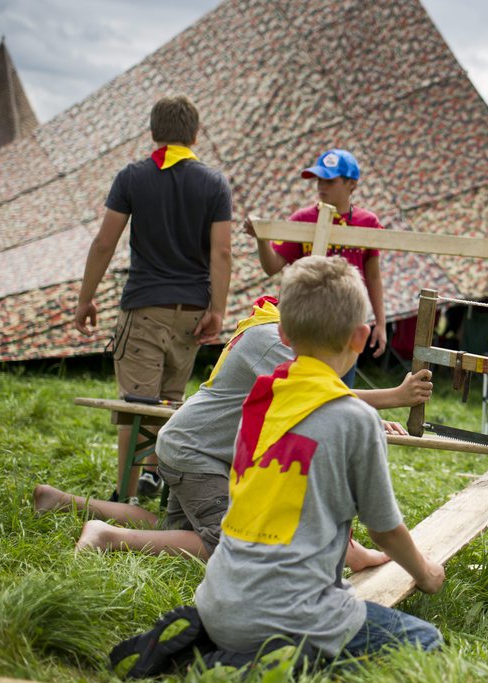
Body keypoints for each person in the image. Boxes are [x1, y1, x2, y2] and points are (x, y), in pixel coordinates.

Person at [36, 295, 433, 571]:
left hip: (193, 446)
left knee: (176, 533)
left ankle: (60, 501)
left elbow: (315, 400)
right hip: (198, 454)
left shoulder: (270, 330)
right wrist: (393, 396)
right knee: (230, 544)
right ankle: (107, 537)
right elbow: (313, 390)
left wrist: (364, 416)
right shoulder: (268, 339)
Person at [193, 255, 443, 666]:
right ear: (361, 338)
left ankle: (235, 659)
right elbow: (384, 531)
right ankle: (271, 665)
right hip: (290, 619)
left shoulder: (260, 398)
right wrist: (426, 574)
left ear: (284, 334)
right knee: (425, 641)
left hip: (216, 605)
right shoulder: (355, 417)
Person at [73, 95, 233, 502]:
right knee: (169, 404)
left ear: (153, 132)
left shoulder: (133, 177)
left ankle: (123, 498)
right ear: (195, 134)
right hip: (192, 312)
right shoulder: (214, 183)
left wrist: (85, 299)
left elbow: (104, 243)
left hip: (144, 307)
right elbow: (223, 252)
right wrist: (218, 309)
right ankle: (158, 479)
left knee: (136, 406)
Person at [244, 148, 386, 381]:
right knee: (298, 387)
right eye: (319, 180)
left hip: (346, 324)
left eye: (329, 180)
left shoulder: (367, 222)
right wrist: (262, 239)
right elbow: (272, 266)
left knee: (339, 394)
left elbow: (373, 276)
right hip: (306, 323)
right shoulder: (303, 219)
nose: (322, 186)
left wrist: (381, 323)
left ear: (352, 184)